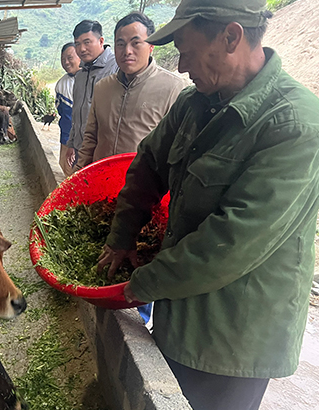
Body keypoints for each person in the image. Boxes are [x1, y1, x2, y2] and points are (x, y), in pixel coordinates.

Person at [95, 0, 319, 409]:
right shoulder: (196, 102)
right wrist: (122, 236)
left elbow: (232, 241)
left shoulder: (295, 125)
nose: (181, 66)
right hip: (179, 307)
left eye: (187, 51)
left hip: (233, 339)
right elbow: (148, 164)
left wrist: (135, 287)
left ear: (231, 36)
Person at [74, 12, 186, 171]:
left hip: (144, 188)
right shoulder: (102, 87)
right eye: (120, 43)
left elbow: (178, 150)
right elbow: (90, 139)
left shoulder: (173, 88)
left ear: (151, 46)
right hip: (100, 183)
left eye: (136, 43)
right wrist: (76, 178)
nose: (127, 51)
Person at [64, 20, 119, 171]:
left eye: (87, 42)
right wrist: (72, 144)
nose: (81, 49)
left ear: (101, 41)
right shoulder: (80, 75)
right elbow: (77, 113)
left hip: (104, 153)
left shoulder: (117, 69)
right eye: (77, 43)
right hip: (81, 150)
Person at [54, 43, 81, 176]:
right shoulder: (61, 85)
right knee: (67, 172)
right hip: (67, 138)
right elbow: (63, 114)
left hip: (87, 142)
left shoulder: (92, 79)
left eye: (70, 58)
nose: (66, 62)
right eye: (63, 59)